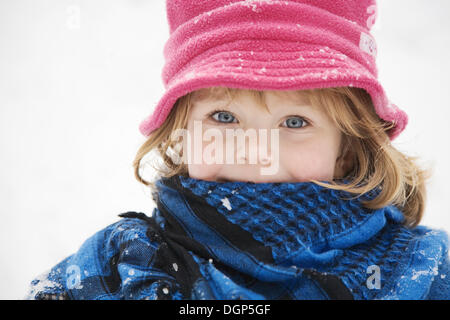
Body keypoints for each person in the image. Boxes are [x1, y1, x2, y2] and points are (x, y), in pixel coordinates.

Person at [26, 0, 450, 300]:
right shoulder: (122, 268)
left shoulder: (424, 270)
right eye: (225, 117)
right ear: (181, 129)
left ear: (348, 146)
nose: (254, 153)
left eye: (294, 122)